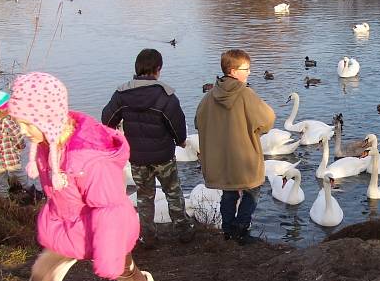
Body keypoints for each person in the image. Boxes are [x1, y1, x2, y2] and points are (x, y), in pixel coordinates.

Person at [0, 72, 168, 281]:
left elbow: (110, 207)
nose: (22, 131)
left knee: (123, 270)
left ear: (44, 119)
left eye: (25, 123)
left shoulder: (88, 159)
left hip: (103, 230)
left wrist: (107, 251)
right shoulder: (50, 140)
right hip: (68, 228)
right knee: (42, 273)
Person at [102, 49, 191, 246]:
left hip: (138, 157)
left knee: (144, 196)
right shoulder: (166, 95)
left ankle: (148, 235)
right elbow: (176, 123)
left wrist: (117, 137)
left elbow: (107, 120)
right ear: (158, 69)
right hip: (163, 156)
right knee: (173, 192)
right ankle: (183, 230)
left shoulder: (121, 94)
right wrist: (180, 141)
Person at [194, 49, 275, 244]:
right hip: (244, 156)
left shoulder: (208, 97)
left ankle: (228, 231)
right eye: (246, 69)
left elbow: (198, 122)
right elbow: (268, 120)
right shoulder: (246, 94)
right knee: (252, 190)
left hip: (220, 159)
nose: (249, 72)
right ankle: (241, 229)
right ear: (232, 70)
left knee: (228, 193)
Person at [0, 88, 34, 199]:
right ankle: (33, 193)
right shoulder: (6, 120)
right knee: (22, 176)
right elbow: (17, 135)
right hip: (9, 155)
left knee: (1, 182)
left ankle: (3, 201)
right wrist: (21, 145)